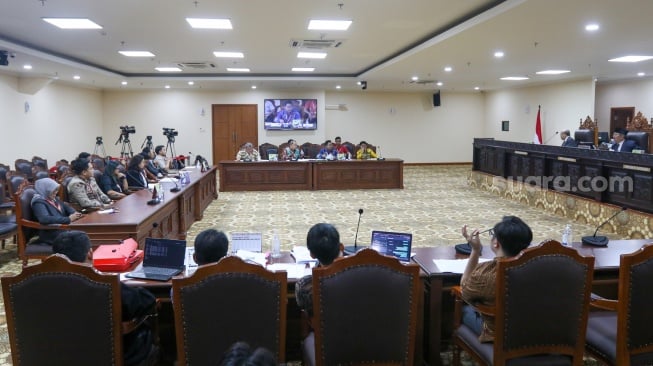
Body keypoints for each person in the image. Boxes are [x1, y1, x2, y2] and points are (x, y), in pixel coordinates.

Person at [52, 230, 157, 366]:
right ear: (90, 253)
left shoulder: (32, 287)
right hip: (108, 357)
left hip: (55, 356)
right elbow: (147, 302)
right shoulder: (101, 283)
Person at [460, 215, 533, 343]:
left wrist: (475, 250)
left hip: (499, 334)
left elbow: (464, 290)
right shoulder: (537, 266)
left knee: (465, 310)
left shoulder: (488, 272)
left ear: (496, 243)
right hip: (534, 332)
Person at [295, 223, 345, 317]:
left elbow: (304, 307)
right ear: (341, 246)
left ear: (312, 255)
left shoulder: (305, 286)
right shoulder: (364, 274)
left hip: (327, 330)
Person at [31, 178, 83, 244]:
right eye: (53, 190)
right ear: (46, 189)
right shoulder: (38, 202)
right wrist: (68, 219)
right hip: (51, 232)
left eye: (56, 190)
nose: (56, 192)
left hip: (62, 228)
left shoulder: (52, 198)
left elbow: (66, 207)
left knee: (86, 231)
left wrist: (74, 213)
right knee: (81, 236)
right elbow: (44, 219)